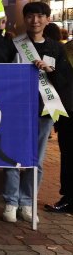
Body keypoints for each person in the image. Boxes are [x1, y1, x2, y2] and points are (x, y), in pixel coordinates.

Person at [0, 2, 71, 223]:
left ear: (47, 20)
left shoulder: (56, 48)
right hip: (15, 111)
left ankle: (27, 202)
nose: (35, 20)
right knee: (12, 158)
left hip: (44, 111)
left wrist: (50, 71)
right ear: (25, 19)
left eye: (40, 16)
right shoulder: (14, 44)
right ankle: (11, 202)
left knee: (36, 161)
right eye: (30, 16)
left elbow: (65, 82)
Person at [46, 36, 73, 214]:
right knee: (69, 154)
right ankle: (69, 198)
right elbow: (62, 80)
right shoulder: (67, 48)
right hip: (68, 109)